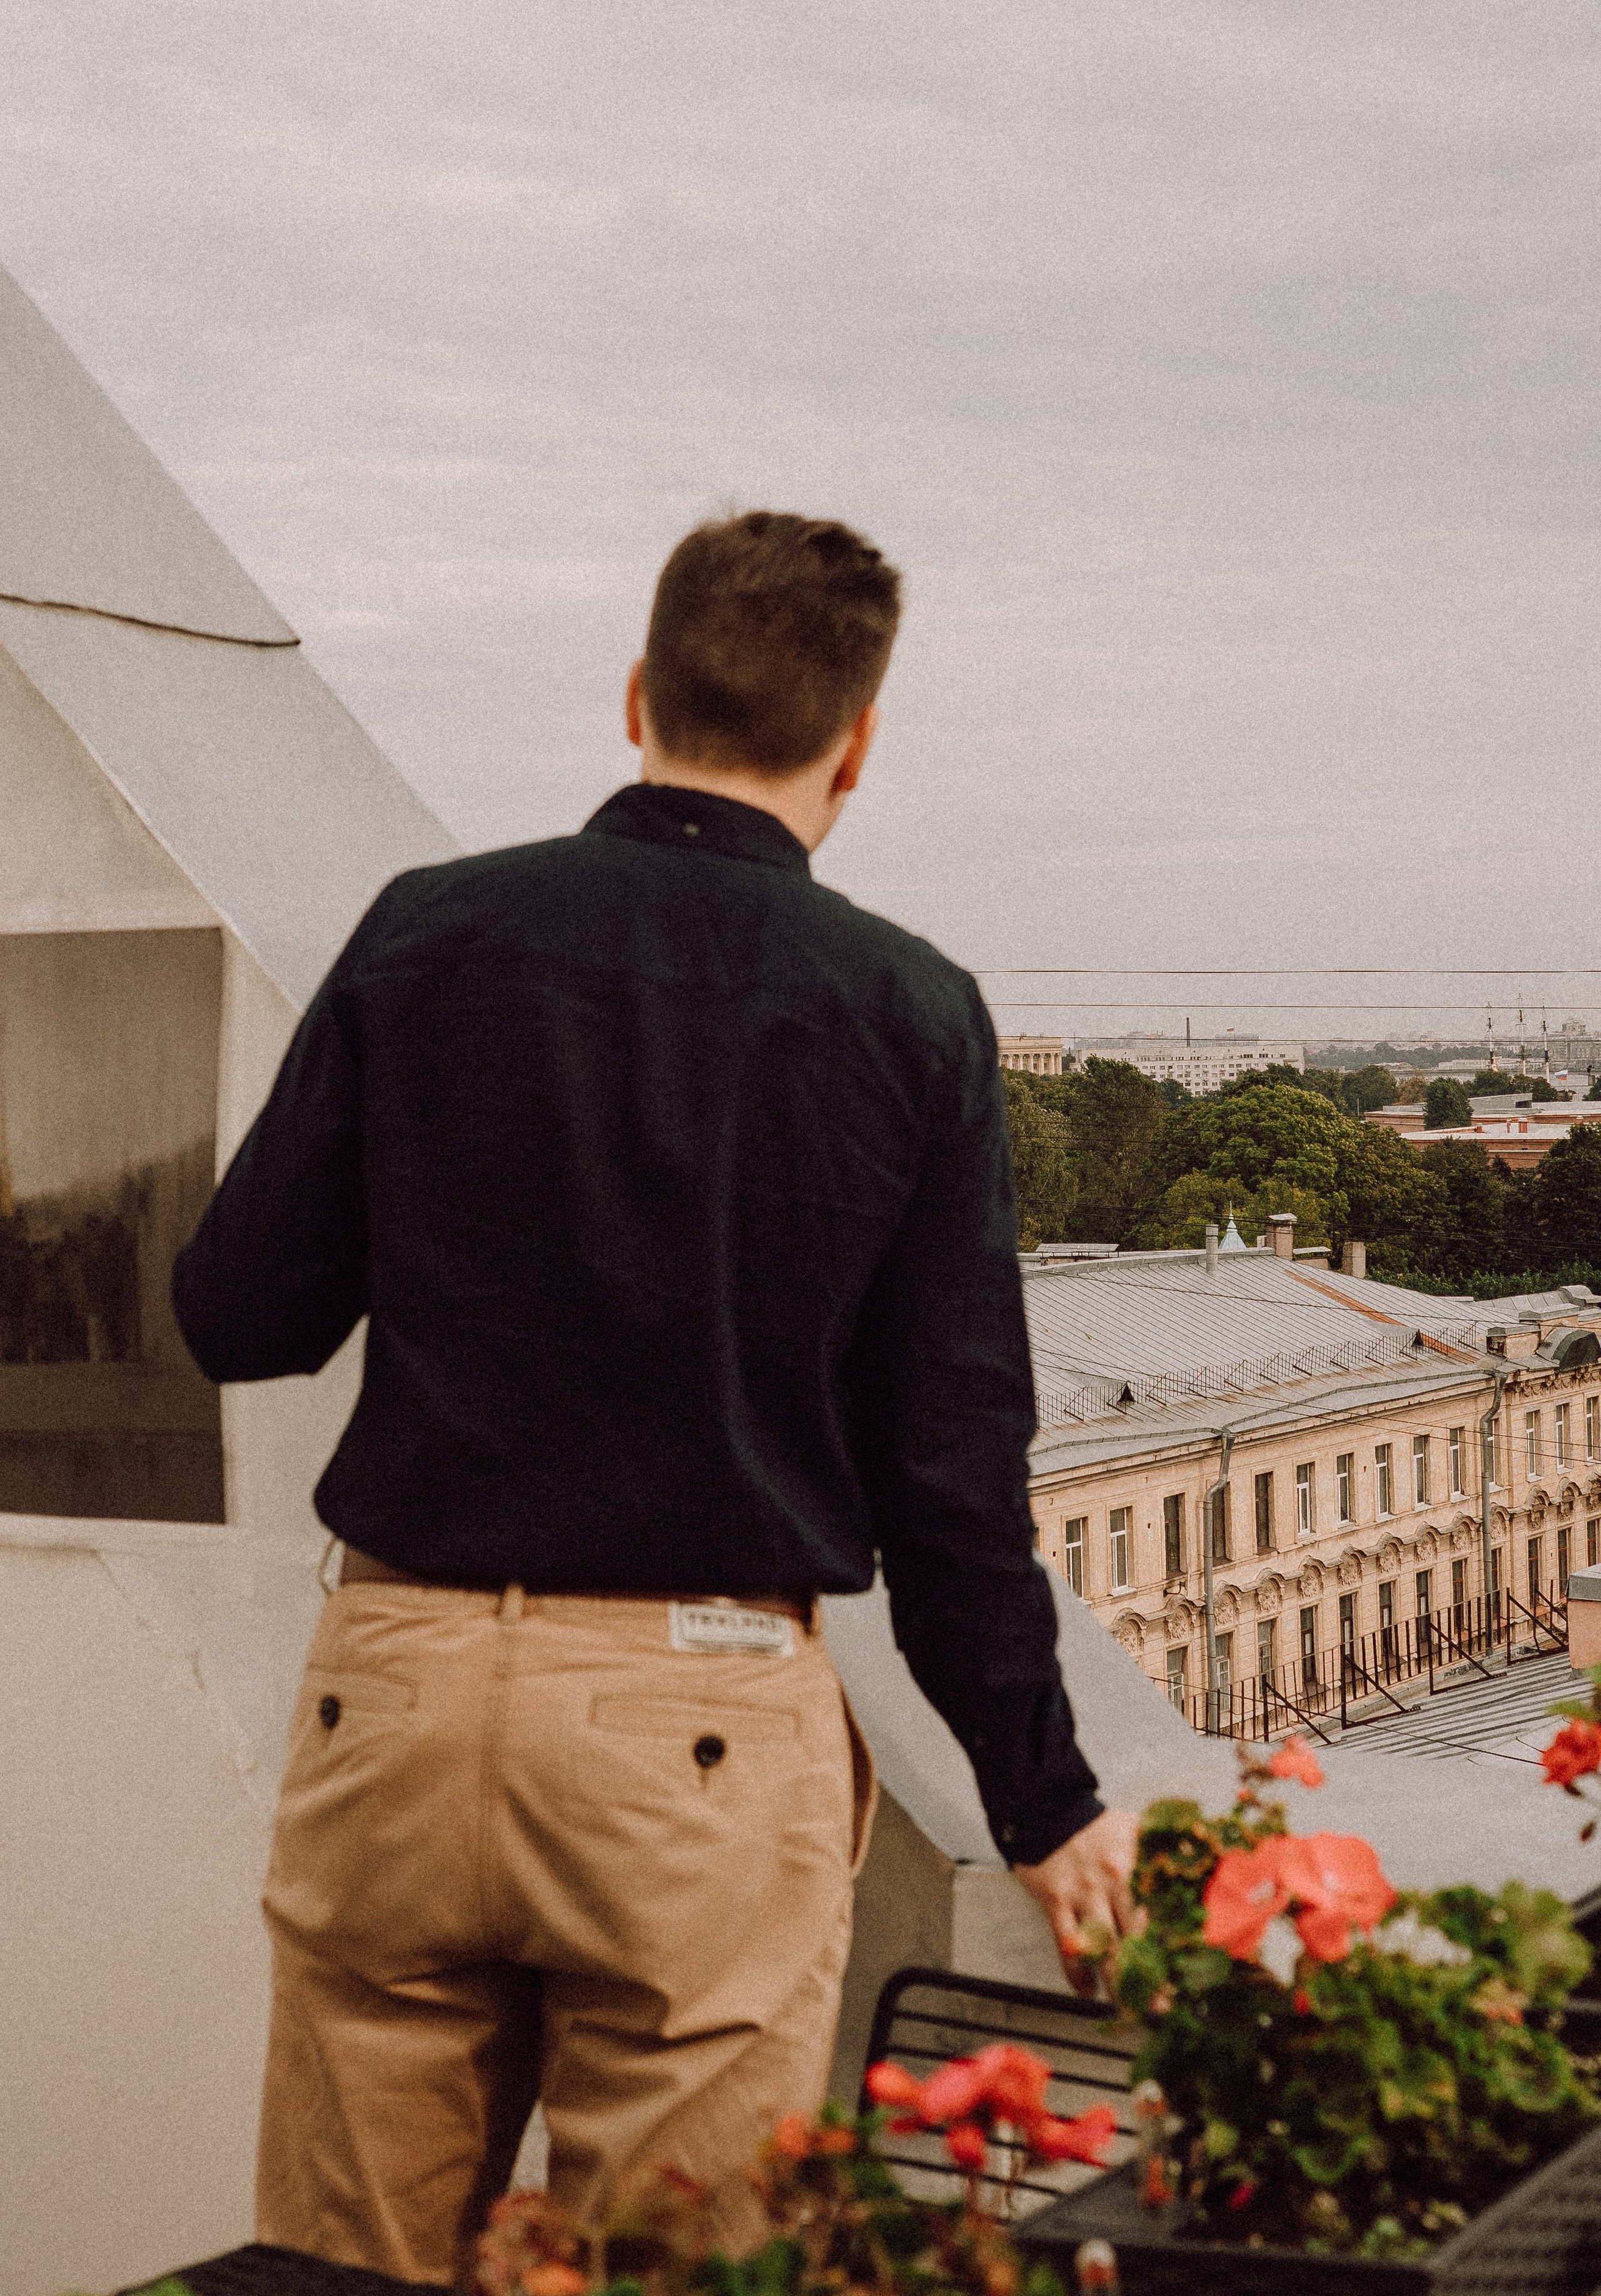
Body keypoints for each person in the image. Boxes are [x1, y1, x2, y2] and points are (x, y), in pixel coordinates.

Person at [171, 510, 1136, 2289]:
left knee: (343, 2269)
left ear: (638, 697)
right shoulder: (910, 1013)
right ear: (856, 746)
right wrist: (1047, 1801)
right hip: (696, 1731)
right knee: (680, 2270)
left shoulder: (428, 934)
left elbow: (236, 1315)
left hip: (400, 1697)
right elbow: (947, 1483)